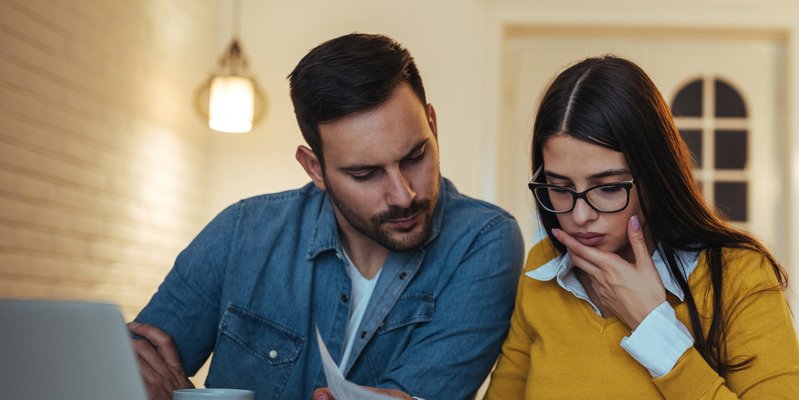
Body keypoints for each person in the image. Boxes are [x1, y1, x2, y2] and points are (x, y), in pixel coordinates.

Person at [130, 33, 524, 400]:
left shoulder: (483, 241)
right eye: (364, 174)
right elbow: (127, 375)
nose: (404, 195)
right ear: (314, 168)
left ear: (433, 127)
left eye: (415, 156)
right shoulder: (241, 233)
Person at [483, 56, 799, 399]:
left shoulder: (738, 275)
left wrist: (653, 325)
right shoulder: (542, 266)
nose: (579, 216)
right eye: (560, 187)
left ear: (655, 177)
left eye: (608, 188)